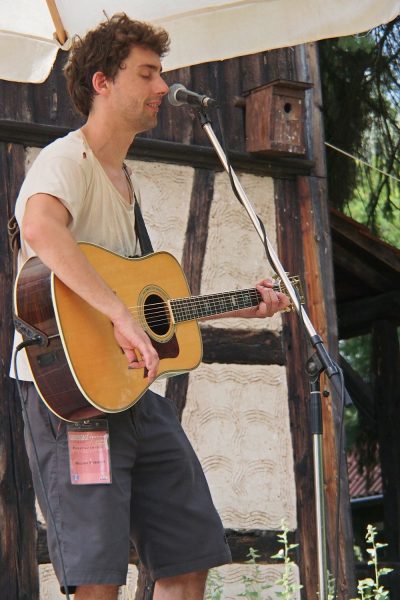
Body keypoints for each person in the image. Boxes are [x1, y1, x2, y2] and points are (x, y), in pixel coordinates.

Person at [11, 13, 290, 600]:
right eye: (148, 73)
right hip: (71, 399)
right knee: (98, 579)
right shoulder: (69, 159)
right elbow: (38, 226)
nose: (163, 87)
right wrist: (115, 313)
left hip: (135, 394)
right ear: (102, 83)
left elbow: (152, 313)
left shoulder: (123, 181)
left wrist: (243, 306)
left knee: (188, 555)